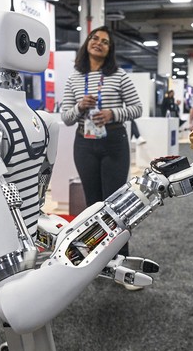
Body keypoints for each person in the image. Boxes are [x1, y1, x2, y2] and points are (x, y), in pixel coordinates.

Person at [60, 26, 143, 275]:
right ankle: (98, 261)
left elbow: (137, 108)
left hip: (114, 142)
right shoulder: (75, 79)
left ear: (110, 50)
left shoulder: (118, 76)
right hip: (84, 143)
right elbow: (66, 117)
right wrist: (78, 106)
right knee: (93, 206)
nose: (98, 43)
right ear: (87, 44)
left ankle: (123, 263)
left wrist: (112, 113)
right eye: (94, 38)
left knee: (115, 205)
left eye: (105, 41)